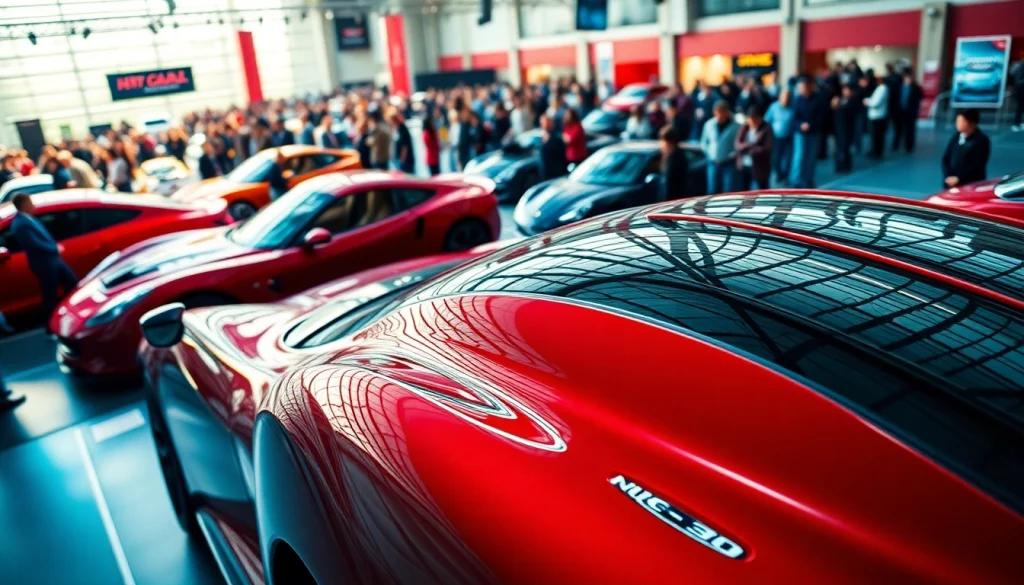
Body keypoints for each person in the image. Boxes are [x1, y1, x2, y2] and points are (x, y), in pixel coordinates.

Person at [10, 193, 78, 324]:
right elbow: (34, 244)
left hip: (53, 260)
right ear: (24, 204)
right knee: (50, 295)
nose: (33, 205)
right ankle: (49, 323)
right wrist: (54, 248)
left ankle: (72, 316)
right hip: (44, 263)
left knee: (71, 284)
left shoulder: (28, 219)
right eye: (30, 203)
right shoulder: (20, 224)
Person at [790, 78, 827, 188]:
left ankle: (808, 180)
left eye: (804, 88)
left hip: (814, 132)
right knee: (799, 157)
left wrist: (811, 124)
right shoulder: (797, 100)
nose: (803, 90)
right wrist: (800, 125)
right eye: (801, 88)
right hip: (800, 133)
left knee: (811, 158)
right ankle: (796, 181)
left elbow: (822, 116)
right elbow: (793, 118)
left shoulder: (817, 99)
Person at [941, 109, 991, 189]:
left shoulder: (982, 140)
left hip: (970, 184)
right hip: (951, 182)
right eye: (957, 121)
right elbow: (945, 158)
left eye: (962, 121)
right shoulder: (956, 137)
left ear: (972, 123)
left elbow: (977, 165)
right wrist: (948, 176)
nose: (958, 124)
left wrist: (959, 178)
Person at [699, 100, 739, 195]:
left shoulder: (735, 126)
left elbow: (738, 143)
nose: (720, 115)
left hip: (728, 162)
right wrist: (710, 153)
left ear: (727, 112)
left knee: (728, 190)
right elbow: (704, 142)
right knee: (712, 190)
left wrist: (733, 154)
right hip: (713, 162)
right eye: (718, 112)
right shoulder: (709, 124)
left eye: (723, 112)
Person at [734, 105, 774, 191]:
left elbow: (767, 147)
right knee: (744, 190)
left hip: (759, 166)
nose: (752, 121)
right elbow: (737, 143)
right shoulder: (744, 128)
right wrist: (748, 146)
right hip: (744, 164)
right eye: (750, 119)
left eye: (754, 119)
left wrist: (751, 150)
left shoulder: (766, 128)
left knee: (762, 189)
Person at [765, 89, 795, 186]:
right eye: (784, 97)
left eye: (788, 98)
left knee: (788, 158)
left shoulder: (793, 107)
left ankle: (786, 176)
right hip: (777, 137)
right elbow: (767, 120)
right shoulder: (774, 107)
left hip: (789, 136)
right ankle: (779, 174)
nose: (786, 100)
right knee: (776, 158)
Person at [893, 69, 923, 153]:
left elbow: (920, 97)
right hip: (899, 111)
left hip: (910, 112)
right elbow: (894, 99)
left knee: (910, 130)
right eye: (907, 77)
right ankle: (896, 144)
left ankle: (909, 146)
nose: (908, 79)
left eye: (910, 78)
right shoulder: (898, 86)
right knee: (898, 129)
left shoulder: (915, 87)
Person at [832, 85, 858, 174]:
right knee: (838, 148)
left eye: (847, 90)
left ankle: (846, 165)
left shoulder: (853, 101)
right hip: (838, 128)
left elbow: (849, 111)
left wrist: (837, 105)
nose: (845, 92)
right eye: (844, 90)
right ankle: (839, 165)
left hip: (848, 128)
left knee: (846, 148)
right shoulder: (841, 100)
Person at [863, 74, 890, 159]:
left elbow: (875, 103)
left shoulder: (882, 89)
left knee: (877, 136)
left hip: (877, 116)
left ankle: (877, 152)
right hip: (876, 116)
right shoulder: (880, 88)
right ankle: (874, 151)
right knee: (875, 136)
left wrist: (867, 101)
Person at [659, 127, 689, 201]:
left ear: (669, 142)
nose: (661, 144)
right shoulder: (669, 155)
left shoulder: (677, 156)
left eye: (663, 141)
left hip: (675, 198)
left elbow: (673, 180)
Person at [537, 114, 568, 182]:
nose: (544, 125)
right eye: (542, 123)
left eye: (546, 123)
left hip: (555, 175)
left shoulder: (556, 137)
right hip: (545, 173)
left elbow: (561, 157)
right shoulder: (543, 136)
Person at [389, 109, 415, 174]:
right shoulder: (395, 129)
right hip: (398, 159)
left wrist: (402, 161)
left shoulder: (402, 129)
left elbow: (405, 147)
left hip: (405, 161)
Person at [1012, 59, 1024, 131]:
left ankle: (1018, 123)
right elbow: (1018, 81)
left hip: (1020, 90)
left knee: (1021, 108)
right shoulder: (1021, 67)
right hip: (1020, 91)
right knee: (1020, 107)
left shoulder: (1020, 66)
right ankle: (1015, 124)